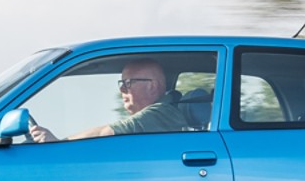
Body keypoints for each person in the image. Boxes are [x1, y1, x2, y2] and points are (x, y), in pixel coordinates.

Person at [28, 58, 188, 142]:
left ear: (152, 86)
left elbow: (107, 132)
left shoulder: (163, 113)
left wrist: (59, 146)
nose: (122, 89)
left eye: (128, 83)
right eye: (121, 83)